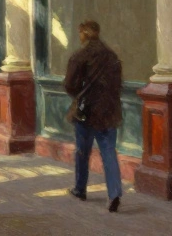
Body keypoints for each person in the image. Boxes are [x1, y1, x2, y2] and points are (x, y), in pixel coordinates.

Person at [63, 20, 124, 213]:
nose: (79, 36)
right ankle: (114, 194)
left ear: (84, 34)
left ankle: (80, 189)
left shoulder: (79, 56)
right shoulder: (112, 56)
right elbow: (118, 85)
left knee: (82, 151)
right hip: (108, 112)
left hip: (86, 112)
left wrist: (81, 95)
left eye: (80, 33)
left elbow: (69, 85)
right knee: (108, 152)